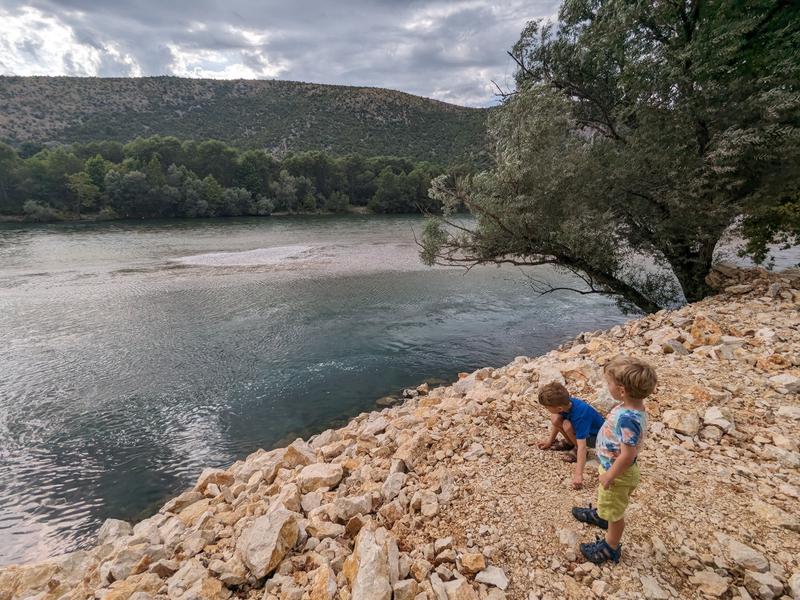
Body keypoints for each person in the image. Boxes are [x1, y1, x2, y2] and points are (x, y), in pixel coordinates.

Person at [571, 355, 658, 564]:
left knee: (615, 514)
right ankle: (602, 515)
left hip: (618, 474)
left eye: (609, 383)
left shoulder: (628, 418)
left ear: (621, 390)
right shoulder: (631, 406)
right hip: (614, 467)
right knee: (608, 503)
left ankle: (610, 547)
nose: (607, 387)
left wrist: (610, 475)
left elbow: (628, 454)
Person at [536, 381, 605, 489]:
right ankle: (570, 442)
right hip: (583, 431)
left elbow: (583, 446)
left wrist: (578, 474)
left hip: (596, 438)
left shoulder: (581, 415)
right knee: (555, 418)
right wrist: (549, 441)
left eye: (547, 407)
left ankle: (575, 448)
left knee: (567, 425)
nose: (546, 409)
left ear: (559, 408)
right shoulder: (566, 403)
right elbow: (556, 420)